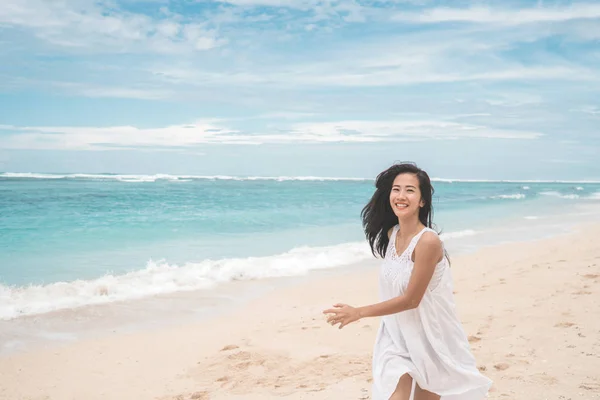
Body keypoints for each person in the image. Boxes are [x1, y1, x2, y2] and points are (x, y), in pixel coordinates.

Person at [323, 162, 492, 400]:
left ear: (422, 201)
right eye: (396, 189)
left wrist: (358, 312)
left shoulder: (428, 242)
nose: (401, 196)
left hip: (432, 338)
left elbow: (411, 299)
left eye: (410, 190)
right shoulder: (392, 234)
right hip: (397, 334)